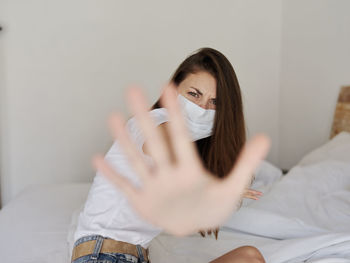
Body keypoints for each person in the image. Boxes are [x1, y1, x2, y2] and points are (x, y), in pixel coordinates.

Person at [72, 48, 270, 263]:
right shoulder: (149, 121)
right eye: (194, 94)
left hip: (135, 256)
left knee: (248, 257)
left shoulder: (191, 151)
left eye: (215, 102)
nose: (202, 108)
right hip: (102, 255)